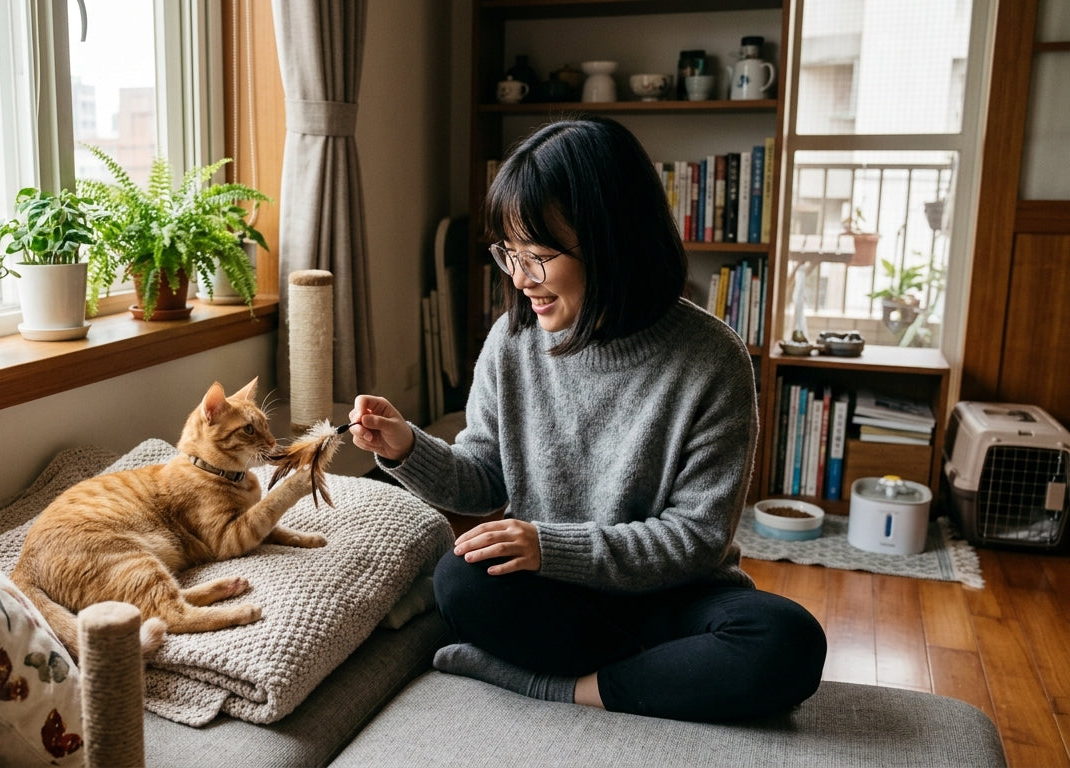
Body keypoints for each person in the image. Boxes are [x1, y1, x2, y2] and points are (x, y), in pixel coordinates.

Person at [348, 117, 826, 722]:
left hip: (674, 598)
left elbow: (696, 538)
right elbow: (483, 479)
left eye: (537, 256)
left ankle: (559, 686)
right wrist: (404, 448)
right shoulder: (512, 343)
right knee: (460, 579)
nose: (519, 278)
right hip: (561, 600)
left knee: (787, 640)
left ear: (611, 240)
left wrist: (549, 546)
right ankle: (657, 679)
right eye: (509, 253)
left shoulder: (712, 359)